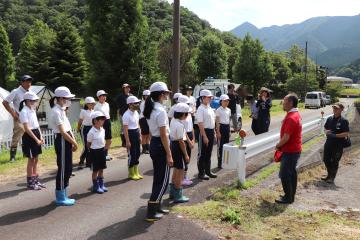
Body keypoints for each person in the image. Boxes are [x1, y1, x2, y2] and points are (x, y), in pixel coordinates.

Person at [143, 81, 172, 222]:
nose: (167, 95)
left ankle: (157, 205)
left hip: (155, 143)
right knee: (164, 180)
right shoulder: (160, 111)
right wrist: (169, 154)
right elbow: (163, 134)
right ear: (161, 95)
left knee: (158, 178)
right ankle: (151, 210)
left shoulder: (151, 108)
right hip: (161, 145)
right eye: (166, 93)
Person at [49, 86, 78, 206]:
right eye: (67, 98)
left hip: (66, 139)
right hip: (62, 140)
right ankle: (60, 196)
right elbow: (62, 131)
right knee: (63, 168)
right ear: (61, 98)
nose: (68, 100)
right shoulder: (56, 111)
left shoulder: (62, 109)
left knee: (69, 168)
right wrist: (74, 142)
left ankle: (64, 192)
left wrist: (73, 140)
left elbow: (68, 128)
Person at [275, 93, 302, 204]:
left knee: (285, 174)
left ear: (290, 103)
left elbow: (286, 137)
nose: (283, 103)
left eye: (285, 101)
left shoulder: (291, 117)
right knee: (291, 173)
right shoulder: (295, 114)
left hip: (290, 150)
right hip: (294, 149)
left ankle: (288, 197)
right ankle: (291, 196)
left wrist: (278, 145)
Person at [3, 75, 32, 162]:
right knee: (17, 137)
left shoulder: (30, 91)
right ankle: (12, 157)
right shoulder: (16, 91)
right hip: (19, 117)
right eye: (27, 81)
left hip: (29, 117)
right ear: (22, 82)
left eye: (30, 81)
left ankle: (26, 153)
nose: (29, 83)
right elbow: (5, 102)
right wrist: (13, 113)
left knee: (28, 135)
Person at [19, 91, 45, 190]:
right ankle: (30, 182)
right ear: (27, 100)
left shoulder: (32, 110)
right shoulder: (24, 111)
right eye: (33, 100)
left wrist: (41, 136)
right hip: (29, 136)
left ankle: (35, 180)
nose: (34, 102)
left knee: (36, 159)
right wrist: (36, 139)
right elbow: (26, 128)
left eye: (35, 100)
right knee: (31, 159)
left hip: (36, 133)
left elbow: (37, 125)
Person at [321, 103, 349, 184]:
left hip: (338, 145)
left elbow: (346, 133)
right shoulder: (329, 118)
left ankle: (332, 177)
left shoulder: (344, 121)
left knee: (335, 161)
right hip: (328, 143)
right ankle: (329, 175)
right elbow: (325, 128)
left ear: (341, 110)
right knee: (326, 159)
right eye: (334, 108)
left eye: (336, 108)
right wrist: (326, 132)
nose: (334, 110)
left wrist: (335, 135)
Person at [169, 103, 190, 203]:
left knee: (176, 169)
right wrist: (186, 155)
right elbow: (181, 141)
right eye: (187, 114)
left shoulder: (173, 120)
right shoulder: (180, 125)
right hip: (178, 146)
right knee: (180, 171)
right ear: (183, 114)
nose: (187, 116)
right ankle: (178, 195)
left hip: (173, 144)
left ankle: (172, 192)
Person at [196, 89, 217, 180]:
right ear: (203, 98)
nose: (210, 99)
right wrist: (204, 136)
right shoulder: (200, 109)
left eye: (210, 97)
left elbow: (213, 121)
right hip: (204, 131)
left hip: (211, 131)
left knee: (209, 152)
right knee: (202, 154)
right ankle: (201, 173)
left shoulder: (209, 107)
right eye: (208, 97)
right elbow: (200, 123)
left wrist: (215, 132)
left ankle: (208, 171)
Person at [87, 111, 109, 194]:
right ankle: (95, 186)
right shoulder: (91, 132)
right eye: (101, 119)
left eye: (104, 119)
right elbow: (88, 144)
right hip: (94, 152)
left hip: (102, 151)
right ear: (95, 120)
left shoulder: (102, 130)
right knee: (95, 170)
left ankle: (101, 184)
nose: (103, 121)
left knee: (102, 168)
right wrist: (92, 151)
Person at [123, 96, 143, 181]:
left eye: (138, 103)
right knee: (132, 154)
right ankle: (131, 173)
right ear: (130, 104)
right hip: (130, 134)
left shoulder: (136, 113)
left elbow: (138, 125)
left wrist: (140, 135)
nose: (137, 104)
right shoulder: (126, 115)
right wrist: (127, 141)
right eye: (135, 103)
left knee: (138, 153)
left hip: (136, 133)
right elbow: (125, 129)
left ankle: (136, 171)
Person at [178, 95, 194, 186]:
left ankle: (185, 176)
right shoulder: (181, 116)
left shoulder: (188, 114)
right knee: (184, 157)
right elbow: (183, 131)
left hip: (190, 136)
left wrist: (193, 139)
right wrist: (189, 141)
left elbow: (191, 128)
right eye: (187, 104)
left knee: (188, 158)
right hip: (184, 137)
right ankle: (181, 178)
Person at [77, 97, 96, 169]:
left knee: (91, 145)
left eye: (93, 103)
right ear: (87, 104)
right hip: (85, 129)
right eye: (91, 103)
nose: (92, 105)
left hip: (92, 128)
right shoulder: (83, 111)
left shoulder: (94, 111)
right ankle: (81, 161)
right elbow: (80, 121)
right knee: (86, 146)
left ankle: (89, 162)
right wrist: (78, 129)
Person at [94, 90, 112, 161]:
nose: (105, 97)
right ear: (99, 97)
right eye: (103, 96)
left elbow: (108, 114)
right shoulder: (96, 106)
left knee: (109, 140)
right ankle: (101, 155)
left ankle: (105, 154)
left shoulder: (107, 104)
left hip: (107, 121)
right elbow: (95, 117)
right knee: (101, 139)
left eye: (105, 95)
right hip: (100, 123)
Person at [216, 94, 231, 169]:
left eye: (227, 101)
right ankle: (220, 163)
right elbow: (217, 122)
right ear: (221, 101)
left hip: (227, 127)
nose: (226, 102)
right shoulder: (218, 110)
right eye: (225, 101)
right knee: (221, 146)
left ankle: (226, 162)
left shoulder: (229, 110)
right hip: (221, 127)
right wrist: (218, 132)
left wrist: (229, 131)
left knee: (227, 145)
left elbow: (229, 120)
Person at [140, 90, 151, 154]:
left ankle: (147, 147)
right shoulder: (143, 103)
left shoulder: (149, 102)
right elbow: (144, 112)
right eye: (146, 96)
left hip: (148, 119)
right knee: (144, 135)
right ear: (144, 96)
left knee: (148, 134)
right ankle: (144, 149)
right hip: (143, 119)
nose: (147, 97)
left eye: (148, 95)